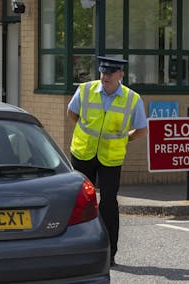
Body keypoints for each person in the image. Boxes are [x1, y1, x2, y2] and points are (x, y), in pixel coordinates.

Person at [67, 56, 148, 266]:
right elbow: (72, 113)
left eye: (109, 77)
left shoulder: (132, 98)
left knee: (109, 204)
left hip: (110, 158)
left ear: (121, 75)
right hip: (83, 153)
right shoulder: (85, 90)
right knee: (78, 201)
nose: (105, 80)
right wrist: (87, 132)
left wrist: (124, 138)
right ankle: (75, 249)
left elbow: (141, 130)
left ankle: (109, 252)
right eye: (103, 76)